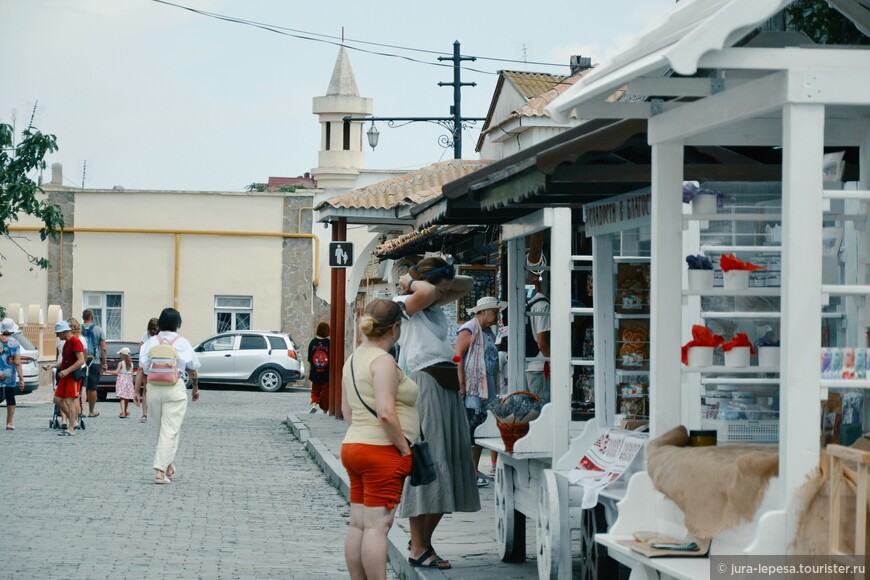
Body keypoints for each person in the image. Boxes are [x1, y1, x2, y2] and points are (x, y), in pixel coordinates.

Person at [394, 256, 478, 570]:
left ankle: (422, 544)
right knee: (430, 461)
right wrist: (410, 281)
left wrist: (443, 279)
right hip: (426, 381)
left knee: (451, 462)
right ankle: (418, 546)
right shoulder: (407, 301)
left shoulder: (430, 300)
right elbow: (427, 293)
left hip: (442, 382)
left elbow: (465, 285)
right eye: (439, 287)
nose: (444, 294)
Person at [340, 299, 418, 580]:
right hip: (381, 451)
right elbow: (386, 413)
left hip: (354, 445)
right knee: (378, 526)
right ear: (395, 328)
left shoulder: (352, 359)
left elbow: (346, 410)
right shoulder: (383, 362)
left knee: (359, 524)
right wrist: (404, 450)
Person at [138, 307, 200, 484]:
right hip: (174, 387)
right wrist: (195, 388)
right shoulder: (182, 342)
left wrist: (137, 391)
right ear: (177, 324)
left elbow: (143, 365)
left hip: (154, 388)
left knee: (161, 429)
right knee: (170, 430)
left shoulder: (151, 342)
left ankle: (168, 465)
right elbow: (193, 367)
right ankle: (159, 470)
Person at [455, 296, 506, 487]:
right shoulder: (469, 328)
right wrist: (462, 383)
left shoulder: (488, 332)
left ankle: (474, 470)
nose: (496, 316)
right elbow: (457, 356)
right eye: (494, 312)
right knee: (470, 431)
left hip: (487, 388)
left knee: (479, 431)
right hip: (473, 389)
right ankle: (468, 472)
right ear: (483, 312)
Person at [43, 321, 86, 436]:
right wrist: (52, 365)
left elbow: (81, 360)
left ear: (64, 332)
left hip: (72, 376)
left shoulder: (75, 341)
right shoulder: (66, 343)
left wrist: (67, 370)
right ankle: (74, 422)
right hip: (65, 376)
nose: (57, 336)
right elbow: (64, 362)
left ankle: (71, 428)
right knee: (57, 399)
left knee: (69, 400)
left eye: (58, 333)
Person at [526, 279, 551, 402]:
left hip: (530, 365)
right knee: (542, 408)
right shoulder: (544, 306)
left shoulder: (529, 304)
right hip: (541, 367)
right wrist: (553, 361)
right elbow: (542, 342)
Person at [0, 318, 26, 430]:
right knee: (10, 397)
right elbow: (17, 362)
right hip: (9, 375)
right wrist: (21, 378)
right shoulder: (15, 343)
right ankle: (9, 423)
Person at [81, 309, 107, 417]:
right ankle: (91, 411)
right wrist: (104, 363)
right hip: (94, 361)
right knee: (92, 387)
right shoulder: (99, 330)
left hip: (80, 361)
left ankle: (80, 410)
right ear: (92, 317)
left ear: (83, 317)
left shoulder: (78, 329)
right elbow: (104, 348)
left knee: (80, 386)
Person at [134, 318, 159, 422]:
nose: (153, 331)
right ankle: (144, 414)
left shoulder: (160, 336)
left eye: (155, 328)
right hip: (147, 364)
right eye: (151, 329)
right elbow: (141, 347)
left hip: (157, 364)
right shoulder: (146, 335)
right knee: (146, 389)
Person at [308, 322, 330, 414]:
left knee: (315, 390)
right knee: (325, 391)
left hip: (315, 371)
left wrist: (310, 370)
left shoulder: (312, 342)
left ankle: (314, 403)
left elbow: (310, 359)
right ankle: (325, 410)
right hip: (326, 372)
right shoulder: (329, 343)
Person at [107, 347, 135, 418]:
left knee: (122, 397)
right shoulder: (131, 363)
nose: (119, 355)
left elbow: (116, 372)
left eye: (120, 354)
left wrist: (106, 371)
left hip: (122, 380)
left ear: (123, 355)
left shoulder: (121, 363)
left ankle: (122, 411)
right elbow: (131, 373)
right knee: (127, 397)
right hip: (129, 380)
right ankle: (125, 411)